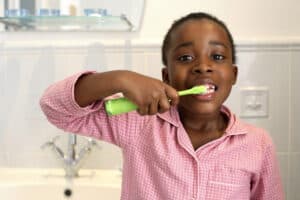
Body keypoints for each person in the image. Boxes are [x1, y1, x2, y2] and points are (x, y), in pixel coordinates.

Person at [40, 12, 284, 200]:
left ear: (233, 75)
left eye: (217, 57)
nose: (202, 67)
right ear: (166, 77)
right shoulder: (139, 121)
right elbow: (55, 108)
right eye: (185, 58)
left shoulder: (257, 144)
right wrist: (119, 79)